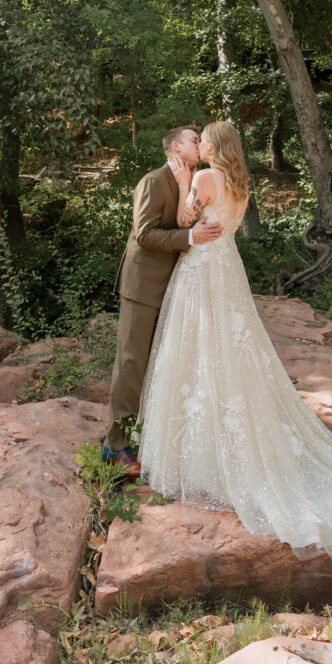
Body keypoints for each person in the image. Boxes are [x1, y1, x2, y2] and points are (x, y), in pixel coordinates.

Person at [138, 121, 332, 559]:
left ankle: (202, 460)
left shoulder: (204, 178)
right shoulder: (241, 186)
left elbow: (186, 222)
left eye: (204, 138)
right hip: (228, 270)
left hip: (204, 270)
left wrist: (185, 182)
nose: (200, 143)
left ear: (216, 146)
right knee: (232, 350)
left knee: (200, 349)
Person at [102, 125, 223, 477]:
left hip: (179, 285)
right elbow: (144, 234)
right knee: (132, 363)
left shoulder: (198, 178)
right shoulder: (154, 180)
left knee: (163, 365)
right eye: (193, 140)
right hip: (143, 284)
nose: (200, 144)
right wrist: (190, 236)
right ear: (175, 146)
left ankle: (151, 438)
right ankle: (114, 447)